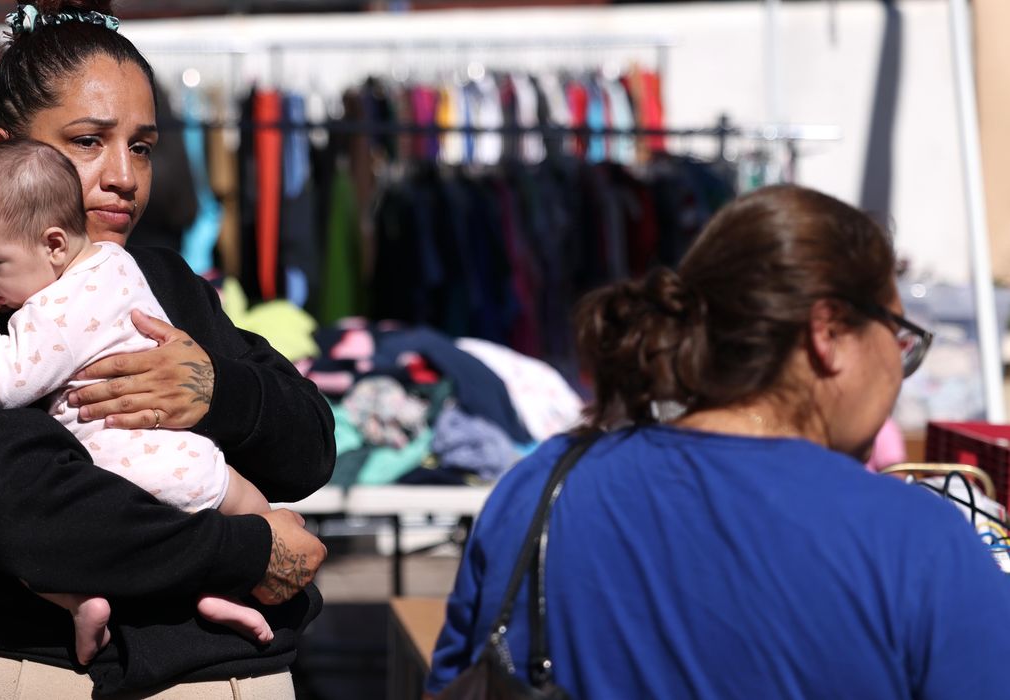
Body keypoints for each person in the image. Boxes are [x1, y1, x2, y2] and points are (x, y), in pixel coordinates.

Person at [0, 1, 334, 697]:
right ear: (0, 150)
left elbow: (308, 449)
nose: (124, 175)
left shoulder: (163, 282)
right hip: (38, 676)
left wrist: (220, 395)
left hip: (237, 676)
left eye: (141, 146)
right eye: (89, 141)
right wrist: (248, 553)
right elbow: (38, 512)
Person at [426, 185, 1010, 699]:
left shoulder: (541, 488)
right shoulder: (916, 541)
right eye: (900, 335)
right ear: (828, 333)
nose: (899, 369)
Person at [0, 138, 277, 665]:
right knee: (246, 508)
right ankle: (229, 589)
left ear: (54, 245)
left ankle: (79, 603)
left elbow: (6, 385)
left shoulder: (45, 312)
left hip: (118, 471)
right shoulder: (117, 264)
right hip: (187, 452)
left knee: (29, 554)